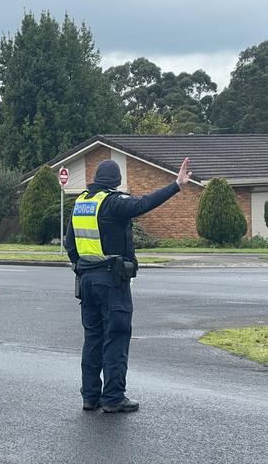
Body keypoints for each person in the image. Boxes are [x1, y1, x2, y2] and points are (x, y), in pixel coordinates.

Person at [64, 157, 192, 413]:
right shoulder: (113, 203)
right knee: (116, 337)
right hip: (111, 282)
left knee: (93, 338)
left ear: (97, 179)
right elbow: (144, 203)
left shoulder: (81, 204)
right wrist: (176, 185)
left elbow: (70, 245)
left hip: (86, 280)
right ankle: (113, 397)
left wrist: (82, 267)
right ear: (116, 182)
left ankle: (90, 396)